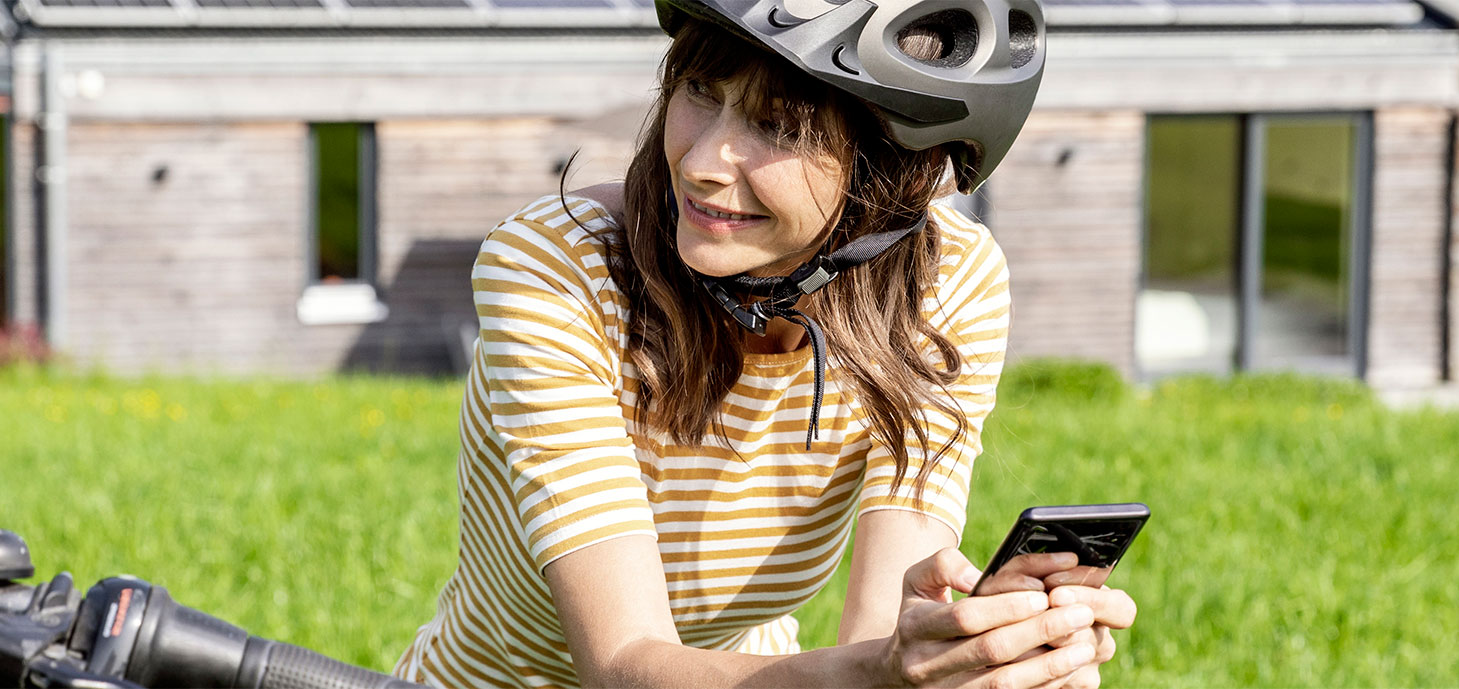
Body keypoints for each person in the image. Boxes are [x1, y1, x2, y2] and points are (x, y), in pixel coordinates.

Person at [395, 1, 1138, 686]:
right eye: (698, 89)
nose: (700, 162)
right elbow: (622, 664)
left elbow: (885, 632)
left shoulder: (948, 287)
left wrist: (964, 655)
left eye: (779, 126)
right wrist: (883, 672)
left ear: (891, 171)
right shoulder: (555, 269)